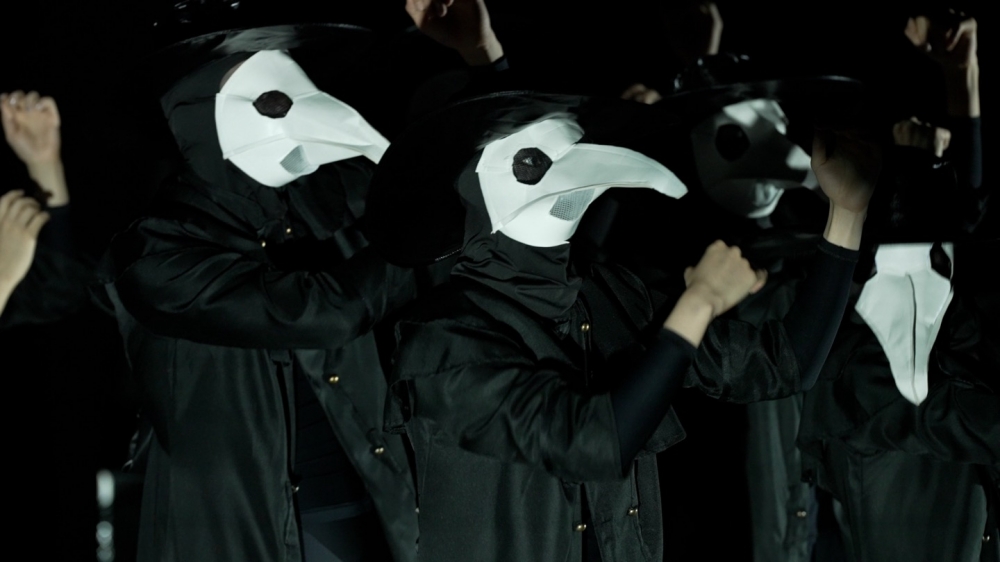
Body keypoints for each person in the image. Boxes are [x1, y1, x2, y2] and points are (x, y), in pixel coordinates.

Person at [364, 87, 879, 561]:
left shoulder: (610, 294)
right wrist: (696, 304)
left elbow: (787, 364)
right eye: (532, 161)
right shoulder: (442, 338)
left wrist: (847, 214)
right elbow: (587, 444)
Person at [104, 7, 505, 561]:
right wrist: (428, 229)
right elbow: (322, 311)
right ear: (201, 114)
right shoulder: (155, 256)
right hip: (236, 536)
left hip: (365, 506)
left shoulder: (320, 201)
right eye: (272, 102)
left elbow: (455, 178)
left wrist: (483, 61)